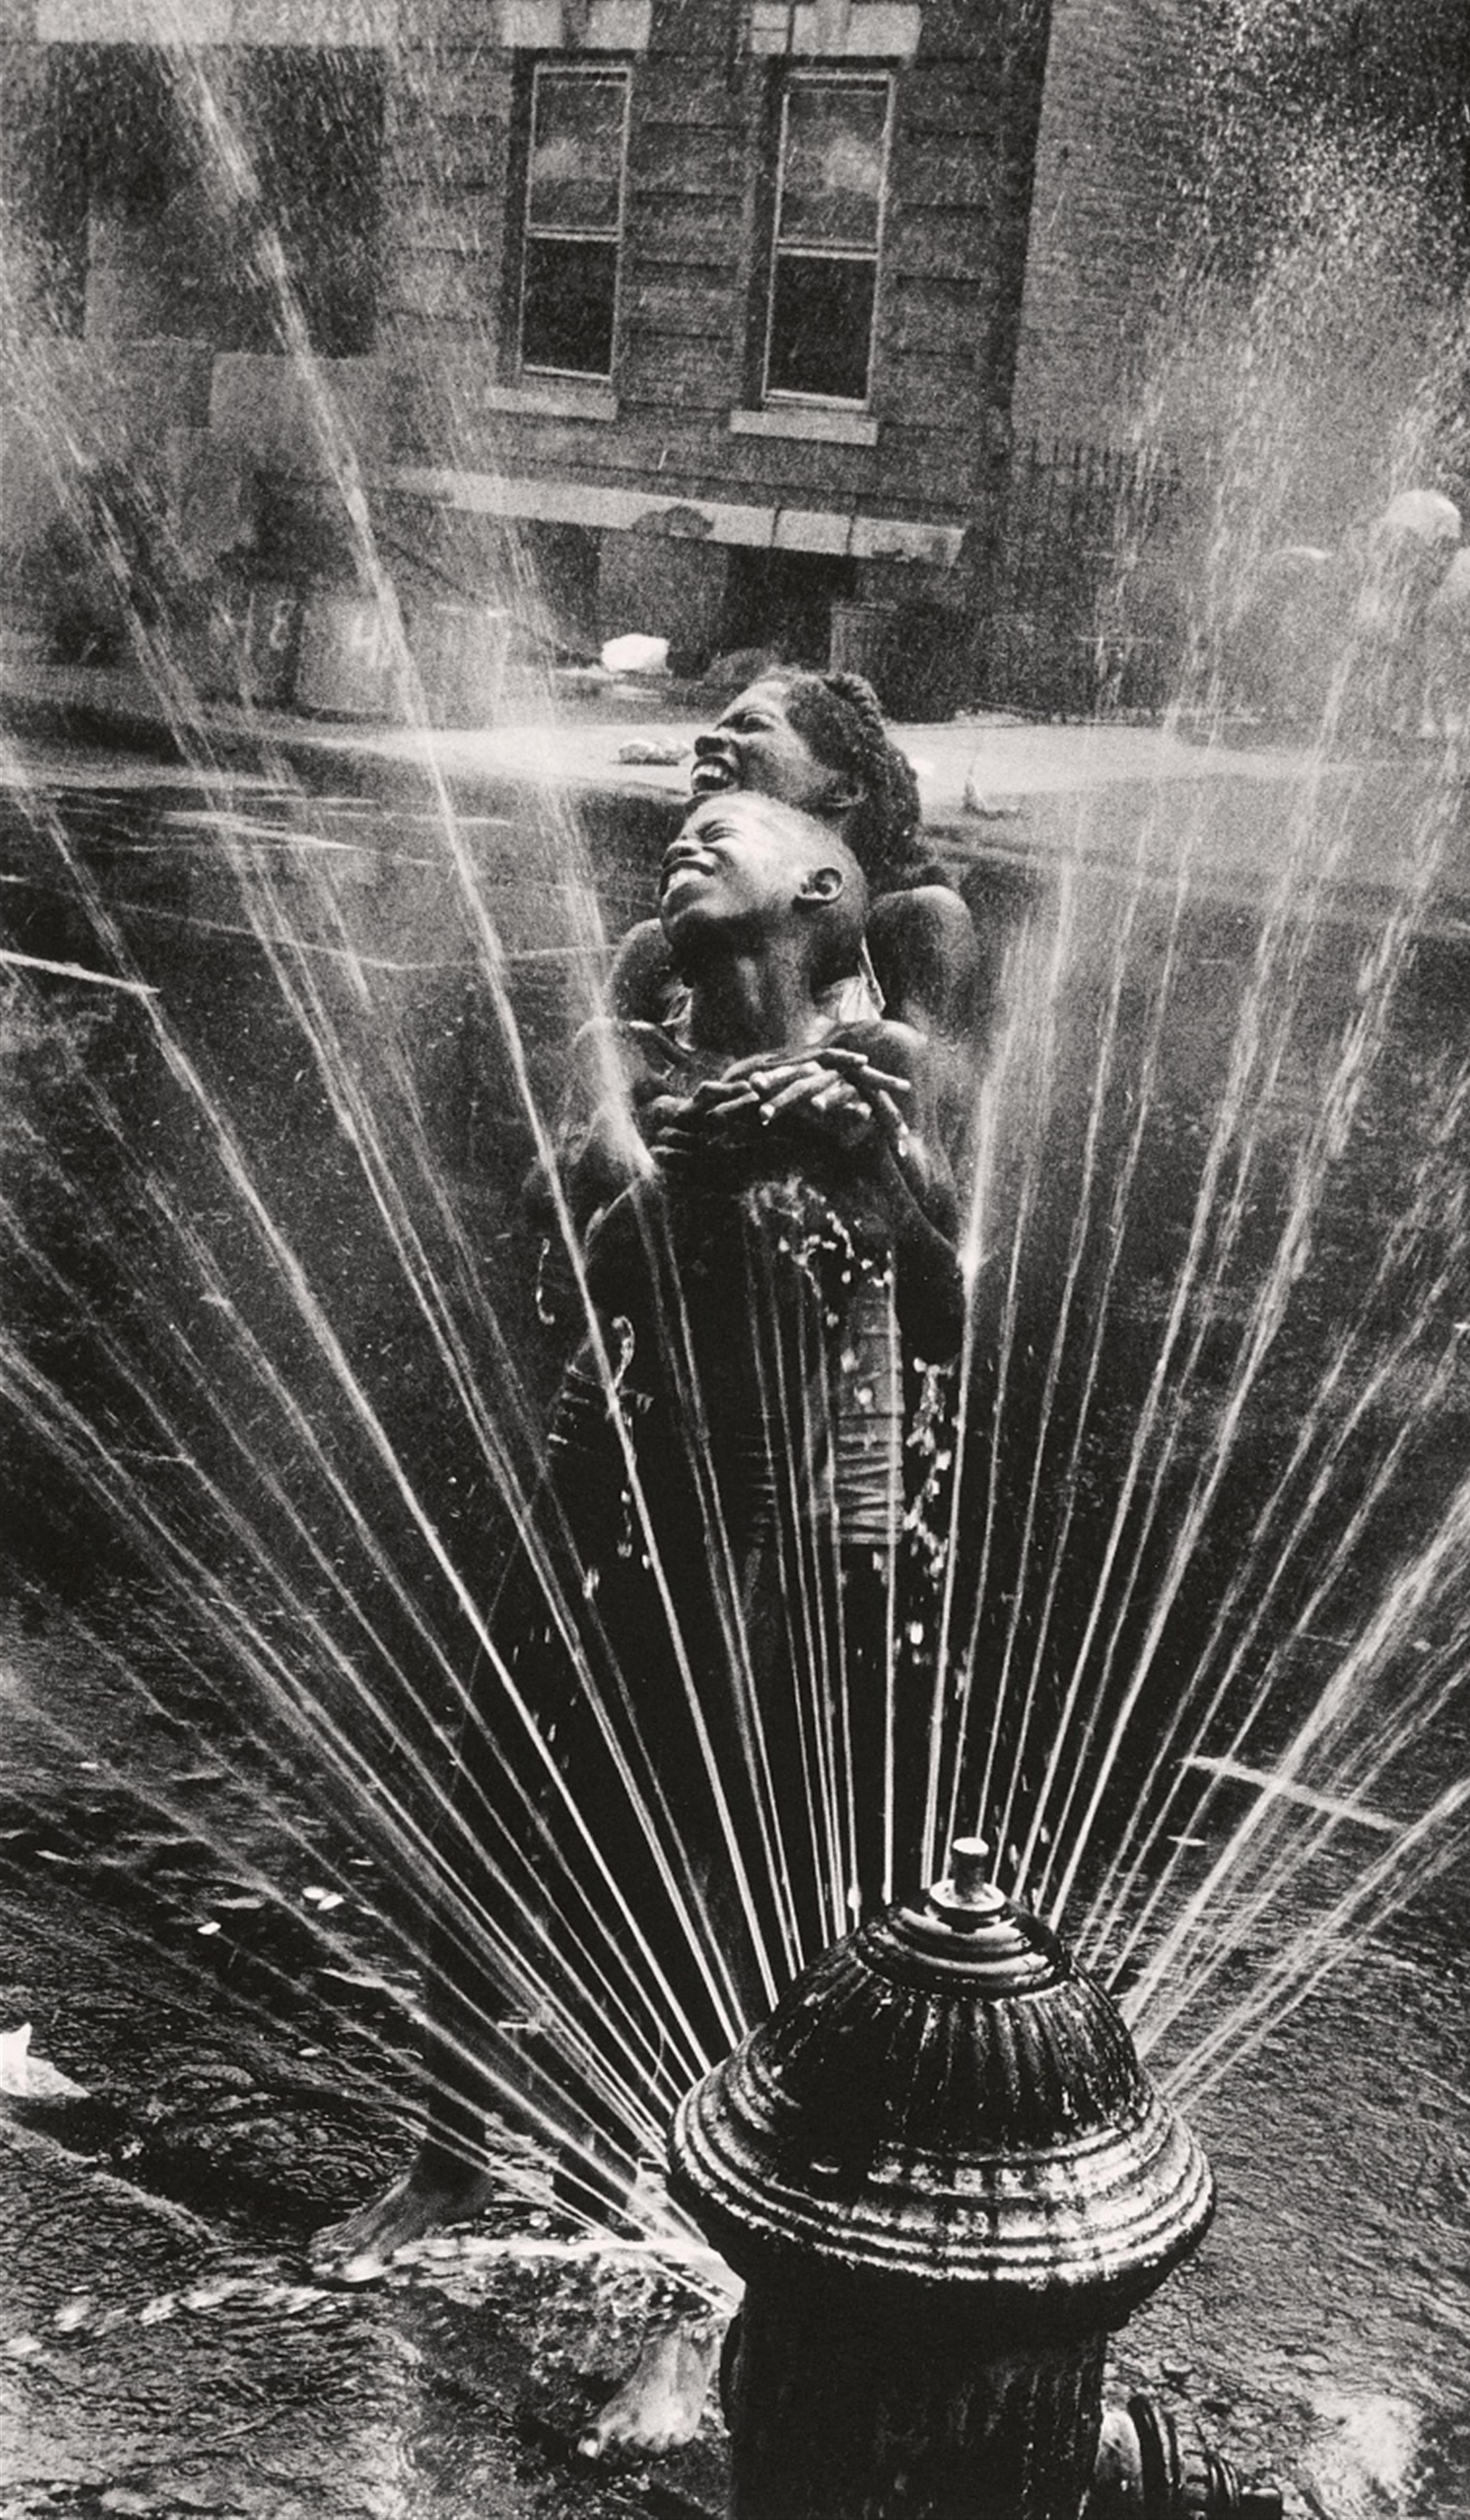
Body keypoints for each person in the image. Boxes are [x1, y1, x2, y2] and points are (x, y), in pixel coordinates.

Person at [311, 794, 962, 2386]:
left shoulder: (872, 1061)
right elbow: (577, 1244)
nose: (687, 826)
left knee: (714, 1846)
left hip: (782, 1535)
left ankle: (681, 2221)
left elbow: (938, 1299)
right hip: (614, 1485)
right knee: (492, 1799)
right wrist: (682, 1164)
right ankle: (459, 2148)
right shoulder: (652, 1033)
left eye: (727, 816)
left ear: (825, 882)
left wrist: (864, 1161)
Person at [611, 668, 982, 1154]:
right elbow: (574, 1146)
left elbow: (938, 1117)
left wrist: (854, 1097)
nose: (708, 739)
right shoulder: (658, 945)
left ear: (842, 788)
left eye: (750, 725)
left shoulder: (912, 924)